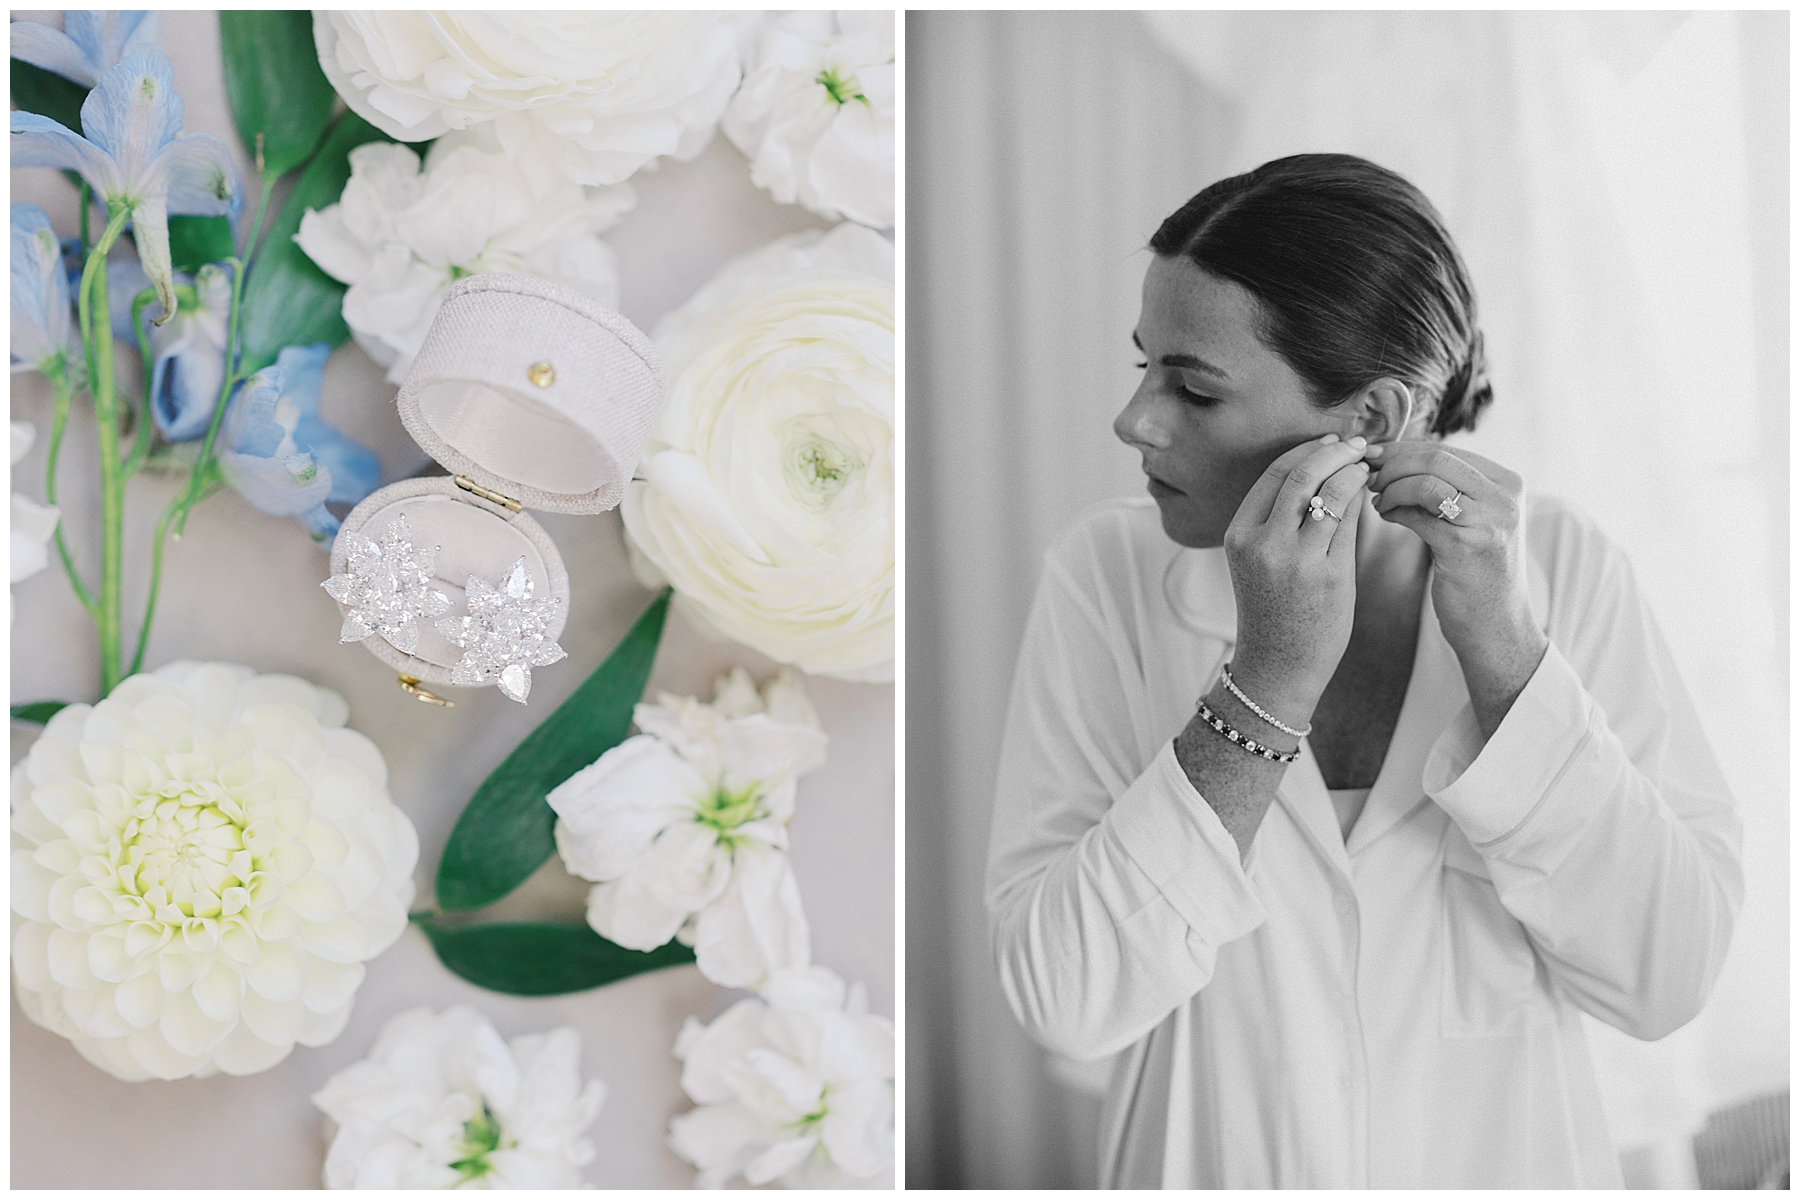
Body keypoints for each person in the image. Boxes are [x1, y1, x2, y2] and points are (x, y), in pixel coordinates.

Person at [984, 153, 1742, 1188]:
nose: (1136, 422)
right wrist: (1268, 677)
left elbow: (1667, 977)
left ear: (1374, 422)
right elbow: (1067, 999)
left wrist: (1509, 661)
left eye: (1193, 389)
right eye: (1143, 366)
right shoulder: (1103, 578)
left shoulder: (1568, 569)